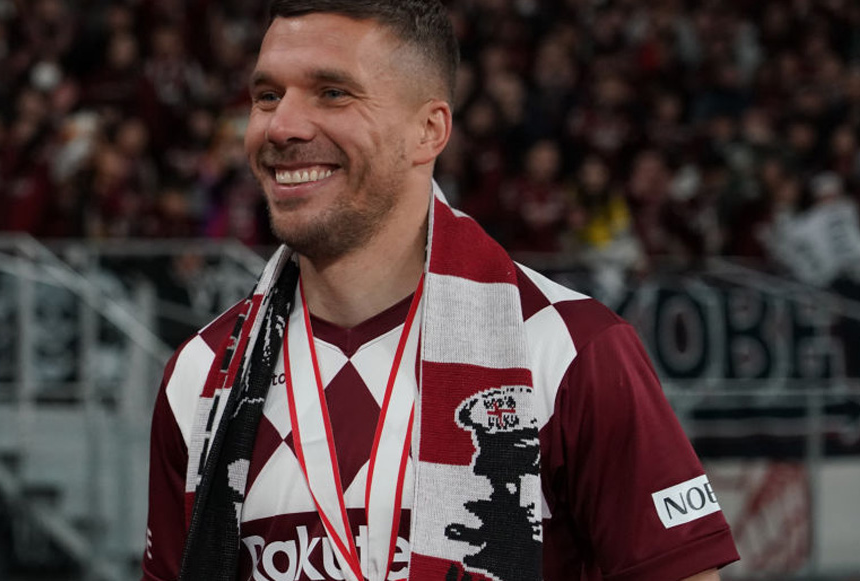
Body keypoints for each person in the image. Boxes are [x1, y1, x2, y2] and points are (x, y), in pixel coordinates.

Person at [143, 2, 740, 581]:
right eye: (268, 95)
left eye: (333, 93)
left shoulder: (568, 349)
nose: (282, 125)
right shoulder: (201, 375)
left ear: (429, 131)